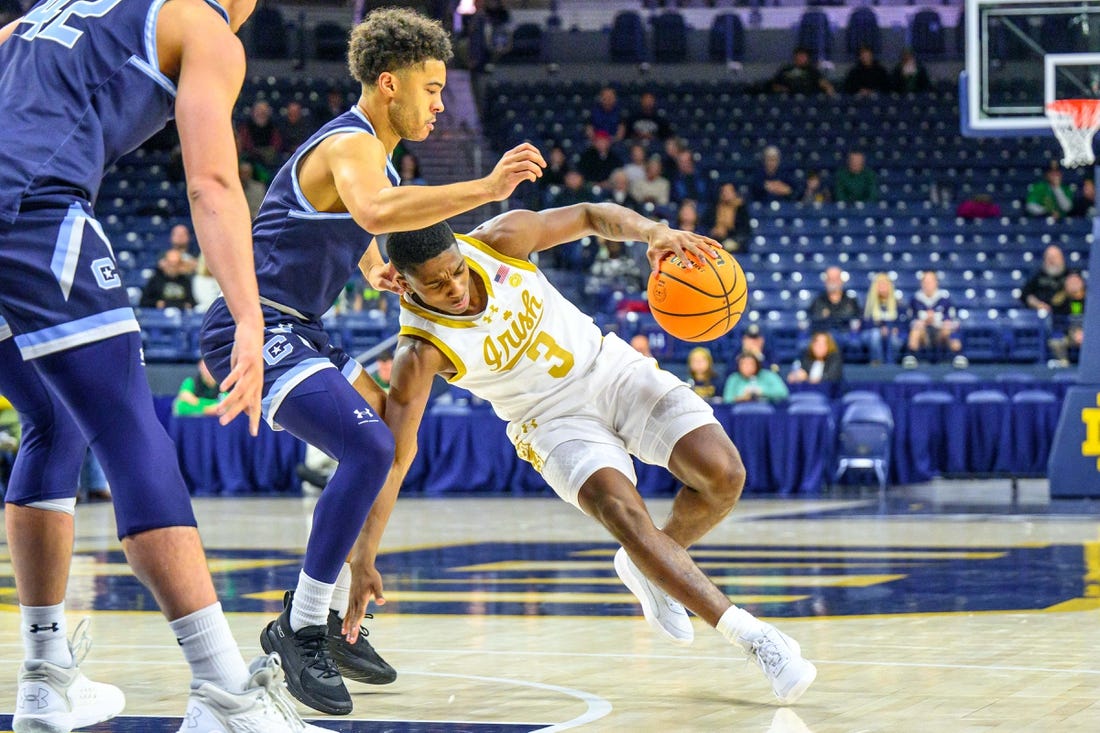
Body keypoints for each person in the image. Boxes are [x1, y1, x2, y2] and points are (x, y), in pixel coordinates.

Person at [198, 7, 545, 715]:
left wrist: (367, 266)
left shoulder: (365, 151)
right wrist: (485, 188)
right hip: (254, 327)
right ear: (390, 83)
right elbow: (378, 210)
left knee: (386, 436)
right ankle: (299, 626)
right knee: (367, 443)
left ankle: (338, 593)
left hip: (302, 325)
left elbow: (343, 218)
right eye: (432, 88)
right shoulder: (354, 147)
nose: (440, 103)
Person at [342, 202, 817, 706]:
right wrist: (364, 555)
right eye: (437, 285)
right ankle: (756, 638)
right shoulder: (419, 352)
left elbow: (591, 215)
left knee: (724, 475)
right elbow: (395, 457)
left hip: (610, 369)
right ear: (405, 284)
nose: (455, 287)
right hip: (550, 422)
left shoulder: (500, 240)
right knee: (622, 513)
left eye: (456, 270)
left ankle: (646, 565)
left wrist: (652, 231)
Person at [0, 1, 323, 731]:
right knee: (128, 427)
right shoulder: (200, 24)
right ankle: (225, 692)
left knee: (52, 420)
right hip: (29, 207)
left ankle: (46, 675)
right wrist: (247, 315)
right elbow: (210, 184)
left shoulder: (49, 12)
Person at [906, 271, 962, 360]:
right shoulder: (915, 299)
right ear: (921, 283)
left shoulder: (945, 298)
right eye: (926, 282)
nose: (928, 285)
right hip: (923, 333)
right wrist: (923, 321)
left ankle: (957, 358)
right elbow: (910, 320)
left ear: (936, 282)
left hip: (940, 332)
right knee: (915, 332)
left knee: (949, 331)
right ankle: (911, 359)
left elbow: (952, 320)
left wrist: (938, 320)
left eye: (931, 281)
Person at [862, 273, 904, 365]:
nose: (882, 287)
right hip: (871, 333)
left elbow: (902, 322)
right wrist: (880, 329)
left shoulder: (898, 304)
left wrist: (894, 329)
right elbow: (865, 324)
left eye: (885, 284)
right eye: (880, 285)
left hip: (892, 333)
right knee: (875, 335)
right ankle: (877, 364)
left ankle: (891, 364)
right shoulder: (869, 304)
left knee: (894, 340)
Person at [1049, 271, 1087, 365]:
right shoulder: (1059, 300)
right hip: (1068, 333)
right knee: (1055, 342)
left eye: (1076, 282)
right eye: (1070, 282)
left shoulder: (1090, 298)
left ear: (1082, 283)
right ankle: (1064, 364)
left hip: (1089, 333)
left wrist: (1085, 332)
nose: (1073, 285)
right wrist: (1071, 332)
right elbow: (1057, 321)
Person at [1021, 244, 1072, 312]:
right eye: (1048, 258)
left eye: (1054, 257)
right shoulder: (1037, 275)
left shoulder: (1071, 275)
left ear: (1062, 258)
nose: (1051, 261)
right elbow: (1025, 295)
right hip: (1041, 316)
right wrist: (1037, 304)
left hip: (1066, 315)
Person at [810, 266, 861, 334]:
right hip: (825, 336)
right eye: (830, 279)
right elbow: (814, 320)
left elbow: (857, 320)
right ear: (825, 281)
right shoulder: (818, 300)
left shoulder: (851, 301)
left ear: (841, 281)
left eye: (835, 279)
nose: (832, 282)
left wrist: (829, 315)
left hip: (847, 336)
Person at [723, 351, 790, 403]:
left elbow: (783, 393)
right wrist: (742, 398)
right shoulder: (733, 378)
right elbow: (727, 399)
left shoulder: (769, 375)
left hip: (766, 413)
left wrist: (761, 392)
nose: (747, 367)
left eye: (750, 363)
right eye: (743, 364)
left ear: (757, 364)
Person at [769, 46, 835, 96]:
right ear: (794, 56)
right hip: (788, 98)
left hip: (807, 98)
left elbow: (822, 82)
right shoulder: (786, 69)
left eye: (803, 56)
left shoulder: (812, 71)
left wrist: (828, 88)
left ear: (807, 58)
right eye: (799, 55)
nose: (800, 58)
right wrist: (782, 89)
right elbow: (774, 85)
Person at [707, 182, 751, 253]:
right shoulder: (714, 207)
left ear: (735, 193)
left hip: (735, 240)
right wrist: (713, 231)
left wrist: (733, 237)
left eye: (728, 191)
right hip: (715, 240)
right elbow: (705, 224)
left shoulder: (741, 209)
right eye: (723, 191)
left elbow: (745, 230)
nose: (725, 194)